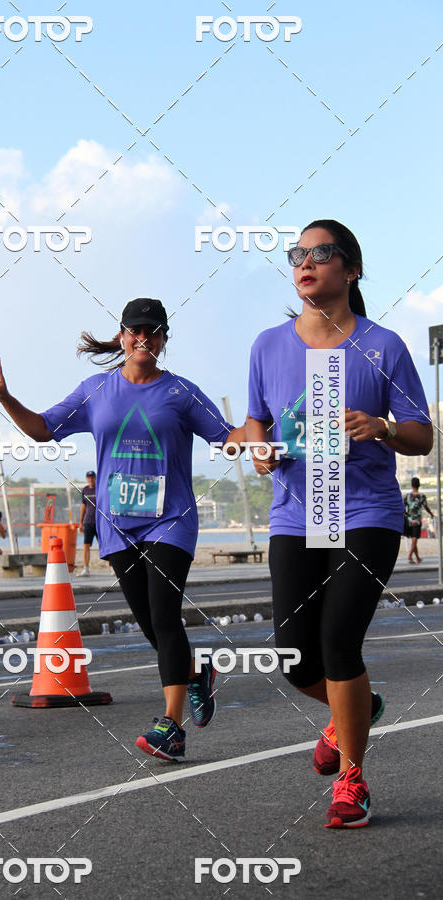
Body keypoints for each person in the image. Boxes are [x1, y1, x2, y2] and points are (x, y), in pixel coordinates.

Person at [230, 220, 432, 828]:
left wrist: (385, 427)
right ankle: (357, 707)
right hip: (297, 514)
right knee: (294, 659)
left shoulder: (383, 345)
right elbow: (254, 421)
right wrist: (258, 447)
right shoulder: (268, 344)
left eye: (320, 253)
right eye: (297, 254)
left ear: (350, 269)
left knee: (339, 641)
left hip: (366, 511)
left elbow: (421, 431)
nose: (305, 262)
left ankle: (352, 779)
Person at [0, 298, 234, 761]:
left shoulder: (182, 393)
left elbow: (227, 437)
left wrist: (268, 434)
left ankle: (172, 726)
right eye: (135, 330)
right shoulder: (95, 390)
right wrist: (4, 397)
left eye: (154, 332)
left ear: (163, 341)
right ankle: (197, 673)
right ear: (121, 336)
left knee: (164, 616)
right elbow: (42, 430)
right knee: (149, 625)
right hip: (117, 527)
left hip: (170, 520)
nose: (144, 338)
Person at [404, 477, 434, 563]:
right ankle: (409, 556)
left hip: (409, 521)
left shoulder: (407, 496)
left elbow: (402, 507)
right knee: (414, 540)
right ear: (419, 485)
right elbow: (426, 507)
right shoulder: (422, 496)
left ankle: (417, 558)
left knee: (414, 539)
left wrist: (406, 516)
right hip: (417, 521)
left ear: (411, 485)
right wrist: (431, 514)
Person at [76, 470, 97, 576]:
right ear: (86, 478)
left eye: (92, 477)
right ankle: (86, 568)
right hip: (88, 522)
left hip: (99, 522)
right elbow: (83, 506)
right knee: (86, 546)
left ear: (95, 478)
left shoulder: (100, 488)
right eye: (89, 477)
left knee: (105, 545)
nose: (91, 479)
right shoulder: (85, 490)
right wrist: (80, 522)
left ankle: (112, 568)